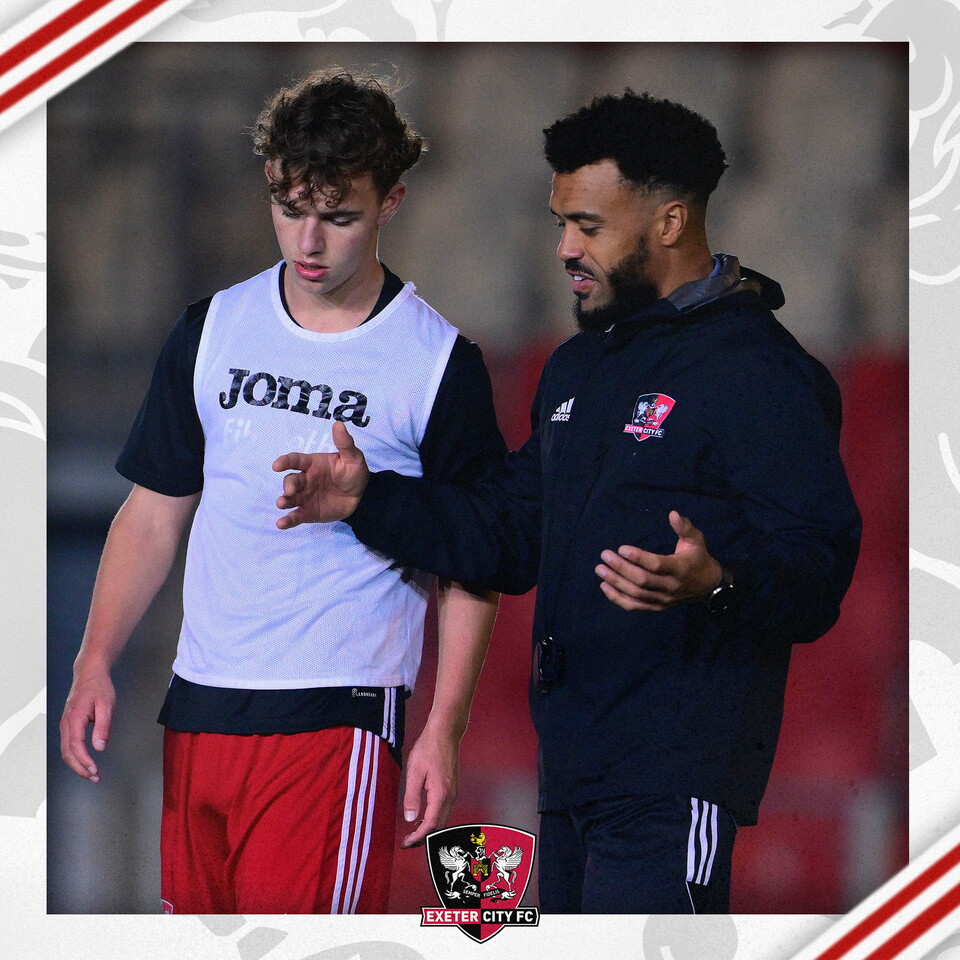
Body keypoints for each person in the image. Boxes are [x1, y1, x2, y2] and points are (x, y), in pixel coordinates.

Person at [271, 89, 862, 915]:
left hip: (673, 784)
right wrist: (369, 500)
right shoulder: (579, 367)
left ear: (669, 222)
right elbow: (506, 535)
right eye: (560, 223)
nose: (564, 249)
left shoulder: (760, 373)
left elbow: (818, 568)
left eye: (588, 225)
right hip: (573, 780)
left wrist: (718, 581)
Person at [58, 68, 503, 915]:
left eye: (338, 216)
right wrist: (95, 658)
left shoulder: (438, 363)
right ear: (269, 181)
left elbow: (474, 560)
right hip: (198, 708)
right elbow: (152, 513)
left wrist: (443, 726)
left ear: (391, 201)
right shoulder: (213, 327)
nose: (309, 240)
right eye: (290, 208)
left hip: (335, 716)